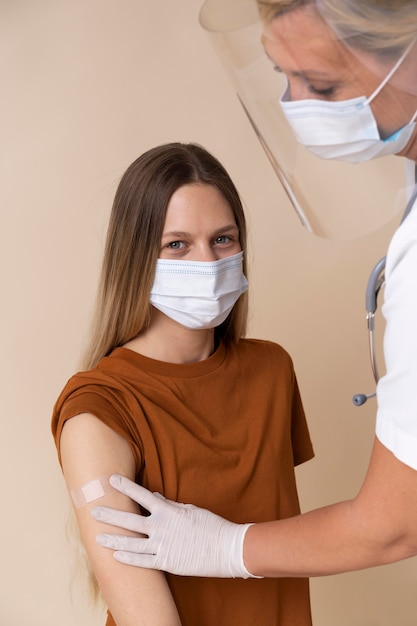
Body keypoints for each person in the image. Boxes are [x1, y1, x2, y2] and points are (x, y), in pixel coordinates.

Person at [90, 0, 417, 584]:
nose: (298, 108)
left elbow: (395, 523)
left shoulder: (268, 370)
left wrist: (226, 548)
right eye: (281, 76)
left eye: (320, 81)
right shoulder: (101, 407)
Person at [51, 141, 315, 625]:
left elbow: (289, 544)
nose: (207, 262)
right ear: (136, 259)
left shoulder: (272, 370)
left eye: (223, 239)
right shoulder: (99, 408)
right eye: (177, 244)